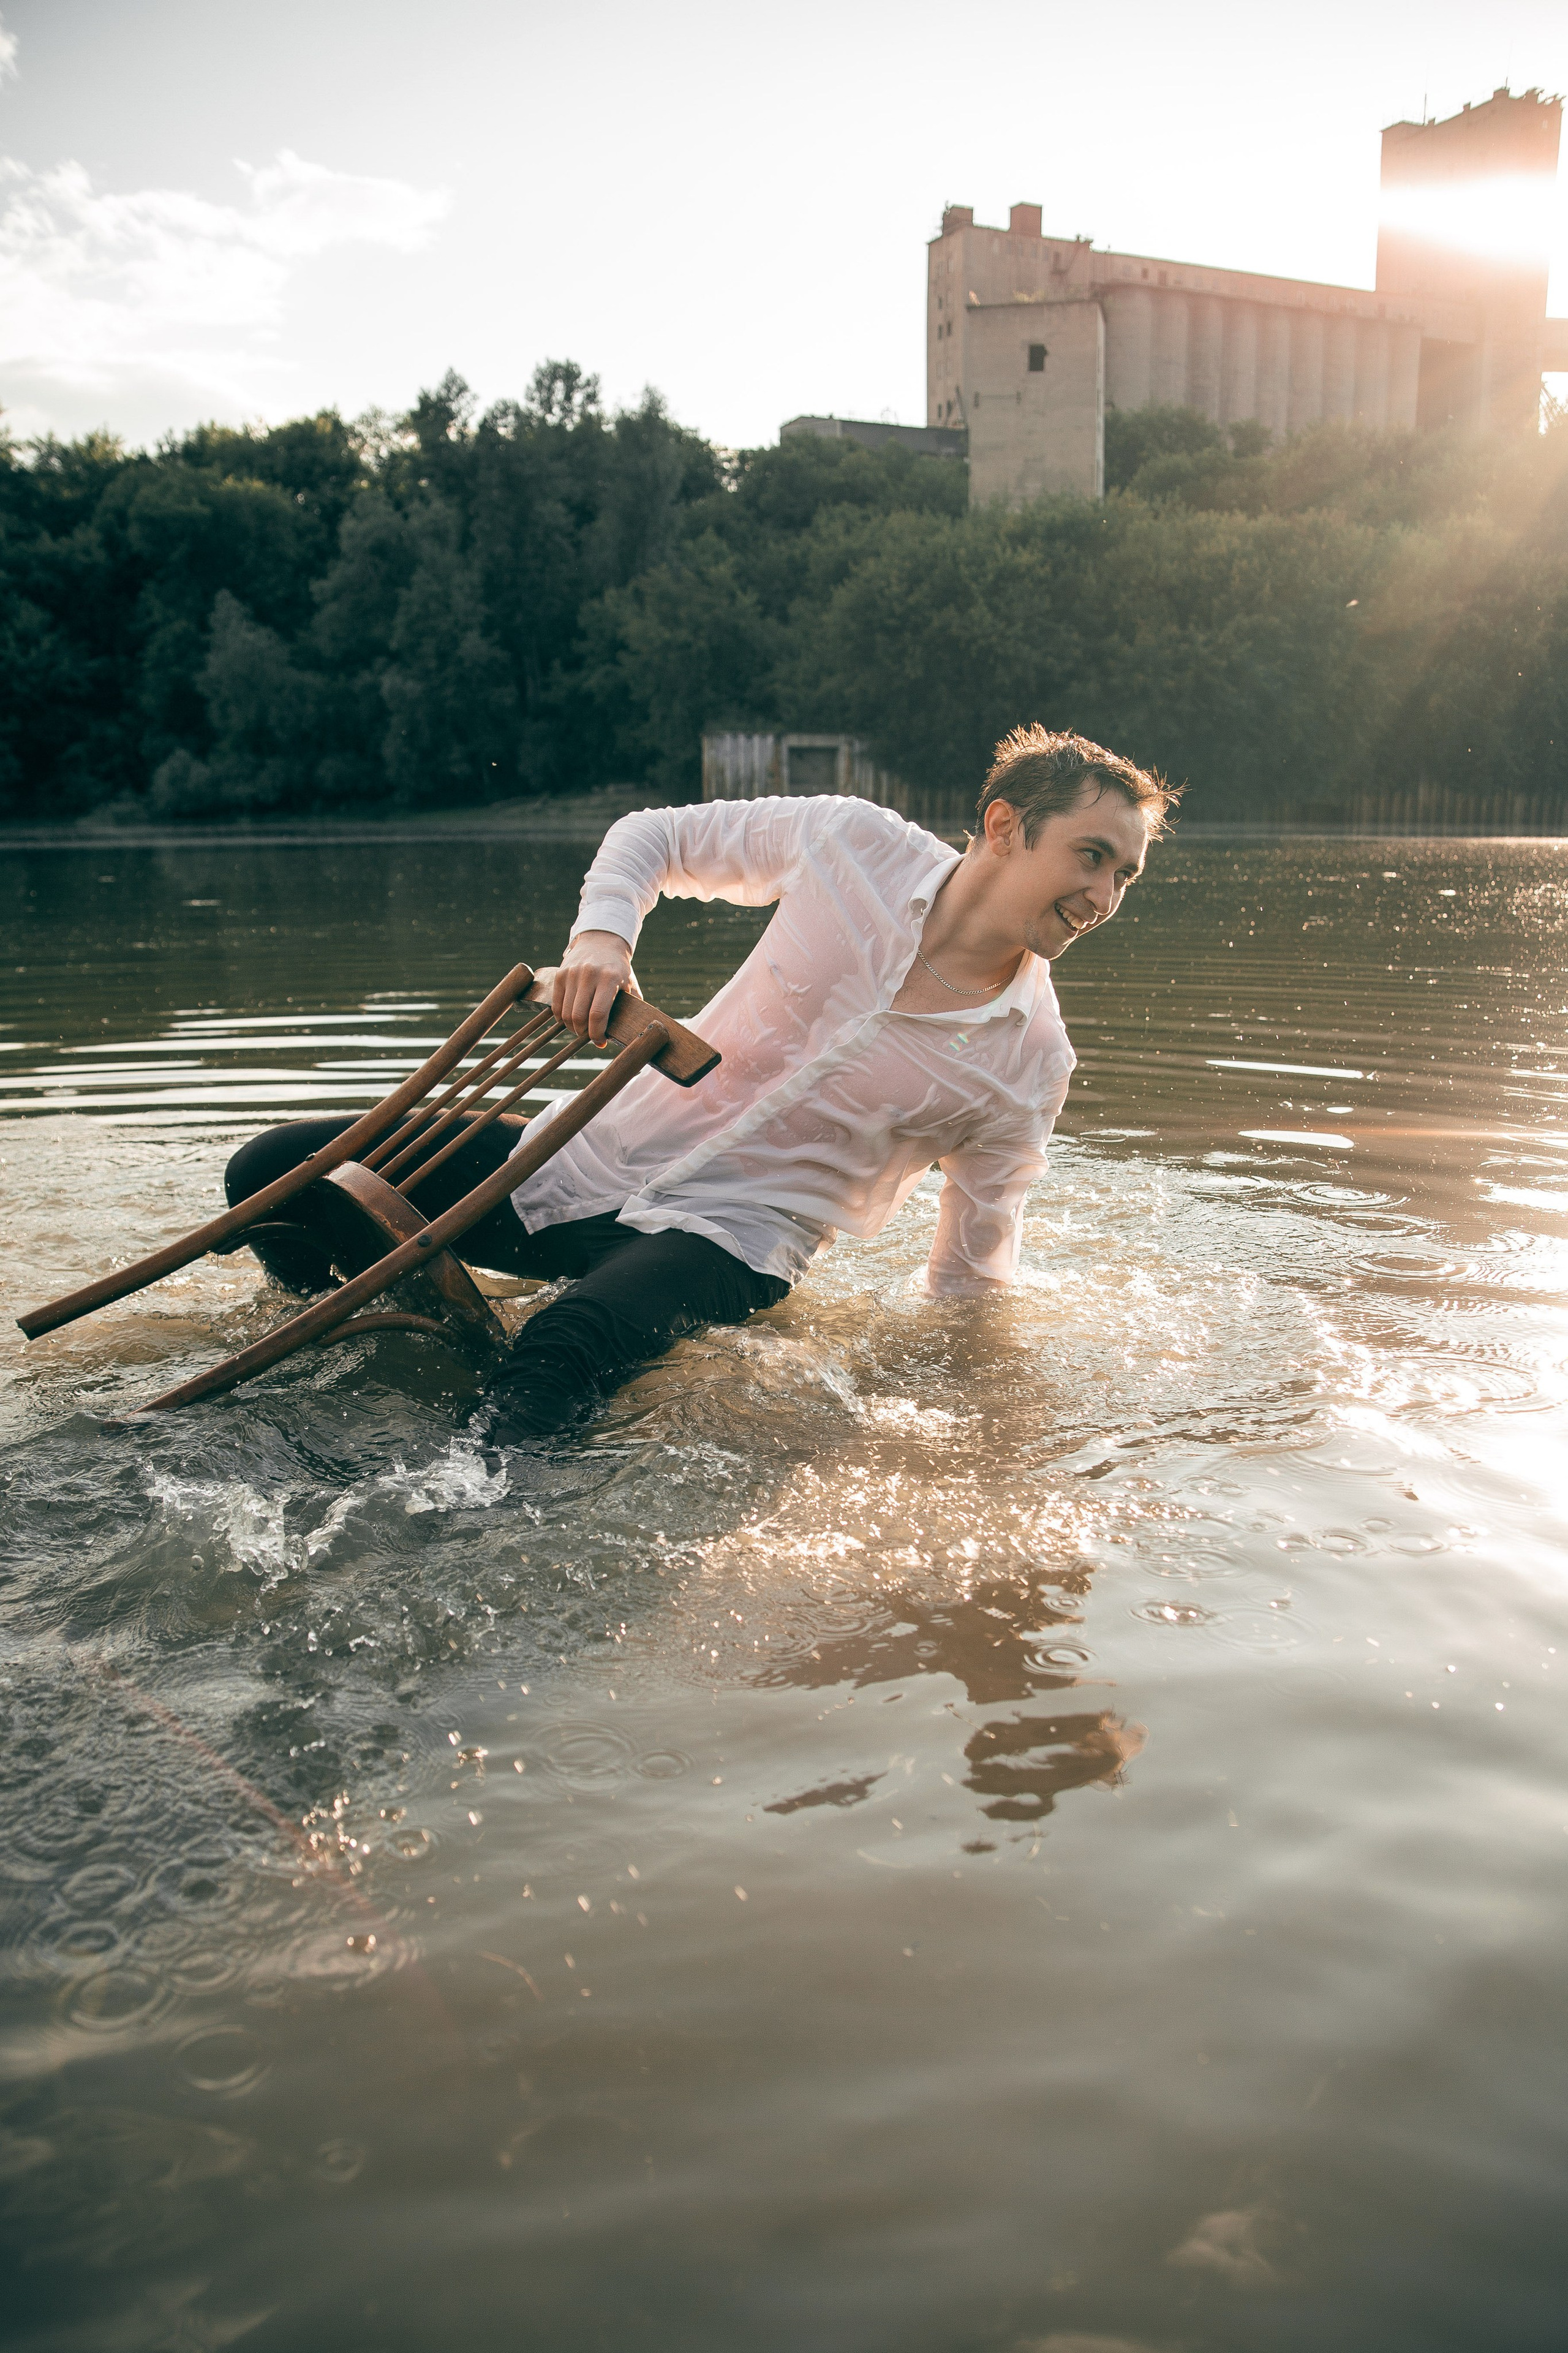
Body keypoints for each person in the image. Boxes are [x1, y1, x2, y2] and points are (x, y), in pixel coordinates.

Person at [223, 725, 1177, 1438]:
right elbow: (652, 838)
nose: (1105, 899)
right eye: (1091, 857)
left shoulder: (1032, 1060)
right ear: (1005, 827)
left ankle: (451, 1535)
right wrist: (601, 939)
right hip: (584, 1156)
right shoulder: (852, 843)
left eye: (1126, 876)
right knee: (272, 1179)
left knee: (560, 1350)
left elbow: (972, 1267)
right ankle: (342, 1337)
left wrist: (975, 1414)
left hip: (733, 1237)